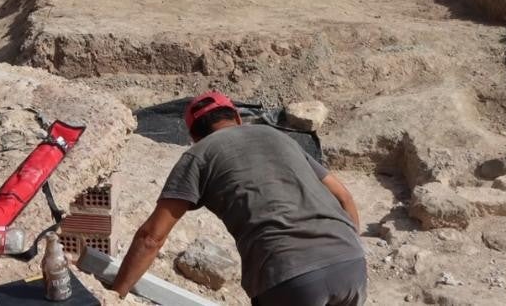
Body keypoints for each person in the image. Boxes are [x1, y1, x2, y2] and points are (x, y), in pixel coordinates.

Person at [112, 92, 367, 306]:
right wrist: (349, 246)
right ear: (236, 117)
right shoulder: (279, 137)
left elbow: (151, 238)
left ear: (193, 135)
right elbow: (343, 196)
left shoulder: (199, 154)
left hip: (287, 276)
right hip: (350, 264)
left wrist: (115, 294)